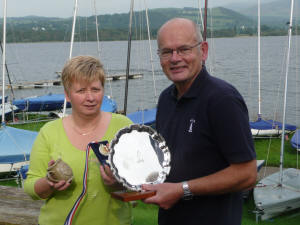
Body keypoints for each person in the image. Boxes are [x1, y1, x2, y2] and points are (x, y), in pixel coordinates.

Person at [142, 18, 257, 225]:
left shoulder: (222, 100)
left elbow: (247, 174)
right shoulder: (166, 98)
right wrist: (125, 178)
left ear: (203, 51)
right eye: (167, 52)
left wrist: (181, 190)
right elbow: (166, 161)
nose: (175, 58)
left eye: (184, 49)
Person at [24, 55, 132, 225]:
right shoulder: (49, 132)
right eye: (81, 91)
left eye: (95, 89)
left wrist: (119, 184)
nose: (90, 97)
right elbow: (30, 187)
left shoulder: (124, 127)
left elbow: (143, 184)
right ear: (67, 95)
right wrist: (49, 183)